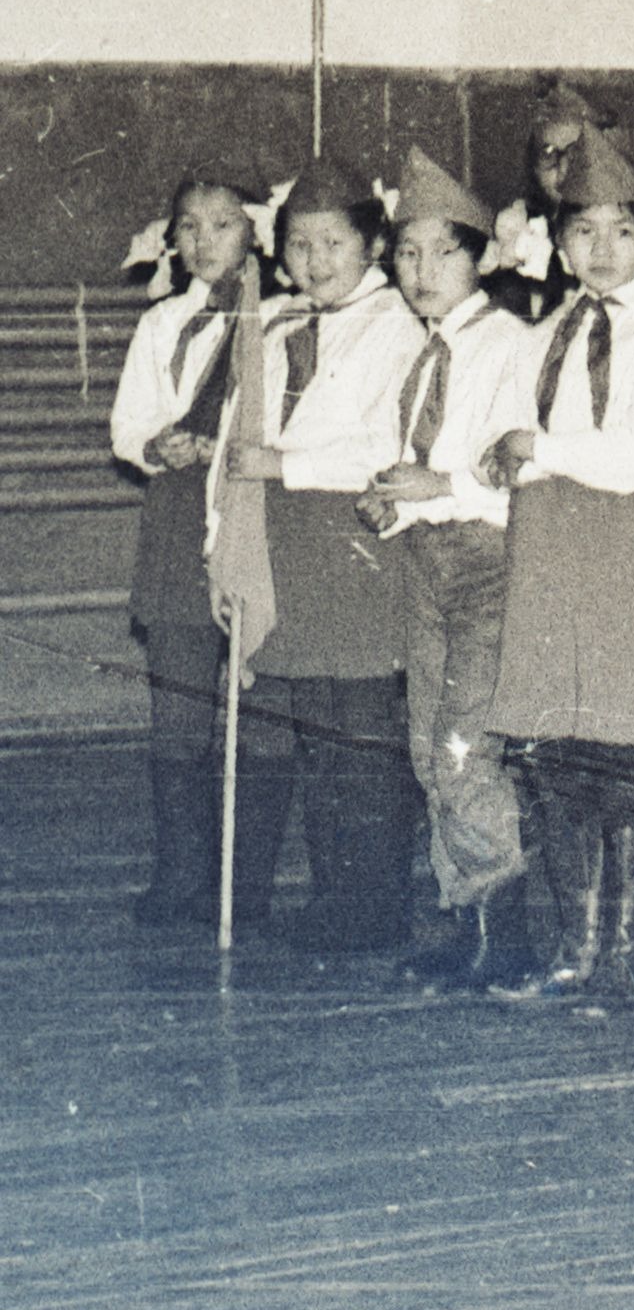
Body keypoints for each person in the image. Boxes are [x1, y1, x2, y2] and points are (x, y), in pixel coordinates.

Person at [477, 124, 634, 1012]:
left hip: (624, 550)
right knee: (558, 754)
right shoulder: (539, 335)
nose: (602, 249)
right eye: (582, 231)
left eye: (622, 230)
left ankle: (631, 953)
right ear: (557, 239)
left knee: (629, 753)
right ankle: (574, 949)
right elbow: (498, 443)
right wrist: (509, 455)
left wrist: (538, 448)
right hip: (548, 553)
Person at [220, 157, 431, 950]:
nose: (314, 260)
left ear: (372, 245)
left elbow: (389, 444)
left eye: (333, 243)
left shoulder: (398, 327)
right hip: (287, 547)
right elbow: (239, 442)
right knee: (314, 729)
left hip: (354, 543)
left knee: (361, 731)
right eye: (299, 244)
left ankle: (374, 904)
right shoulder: (278, 327)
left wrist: (286, 464)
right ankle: (334, 895)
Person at [361, 150, 537, 989]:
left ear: (486, 257)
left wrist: (440, 485)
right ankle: (462, 917)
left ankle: (508, 932)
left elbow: (515, 470)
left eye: (444, 252)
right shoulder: (418, 349)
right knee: (429, 748)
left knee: (466, 750)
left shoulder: (513, 344)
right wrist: (393, 502)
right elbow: (416, 462)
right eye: (407, 253)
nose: (422, 271)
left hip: (489, 563)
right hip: (426, 562)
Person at [111, 167, 260, 930]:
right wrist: (156, 444)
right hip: (176, 515)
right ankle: (182, 871)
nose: (204, 241)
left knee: (258, 705)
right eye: (189, 227)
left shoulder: (275, 317)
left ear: (255, 231)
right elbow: (128, 424)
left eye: (223, 224)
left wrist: (221, 447)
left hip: (249, 512)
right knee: (179, 700)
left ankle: (244, 881)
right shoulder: (162, 322)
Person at [481, 75, 602, 321]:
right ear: (533, 165)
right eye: (548, 153)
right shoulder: (520, 230)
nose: (562, 167)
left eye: (576, 153)